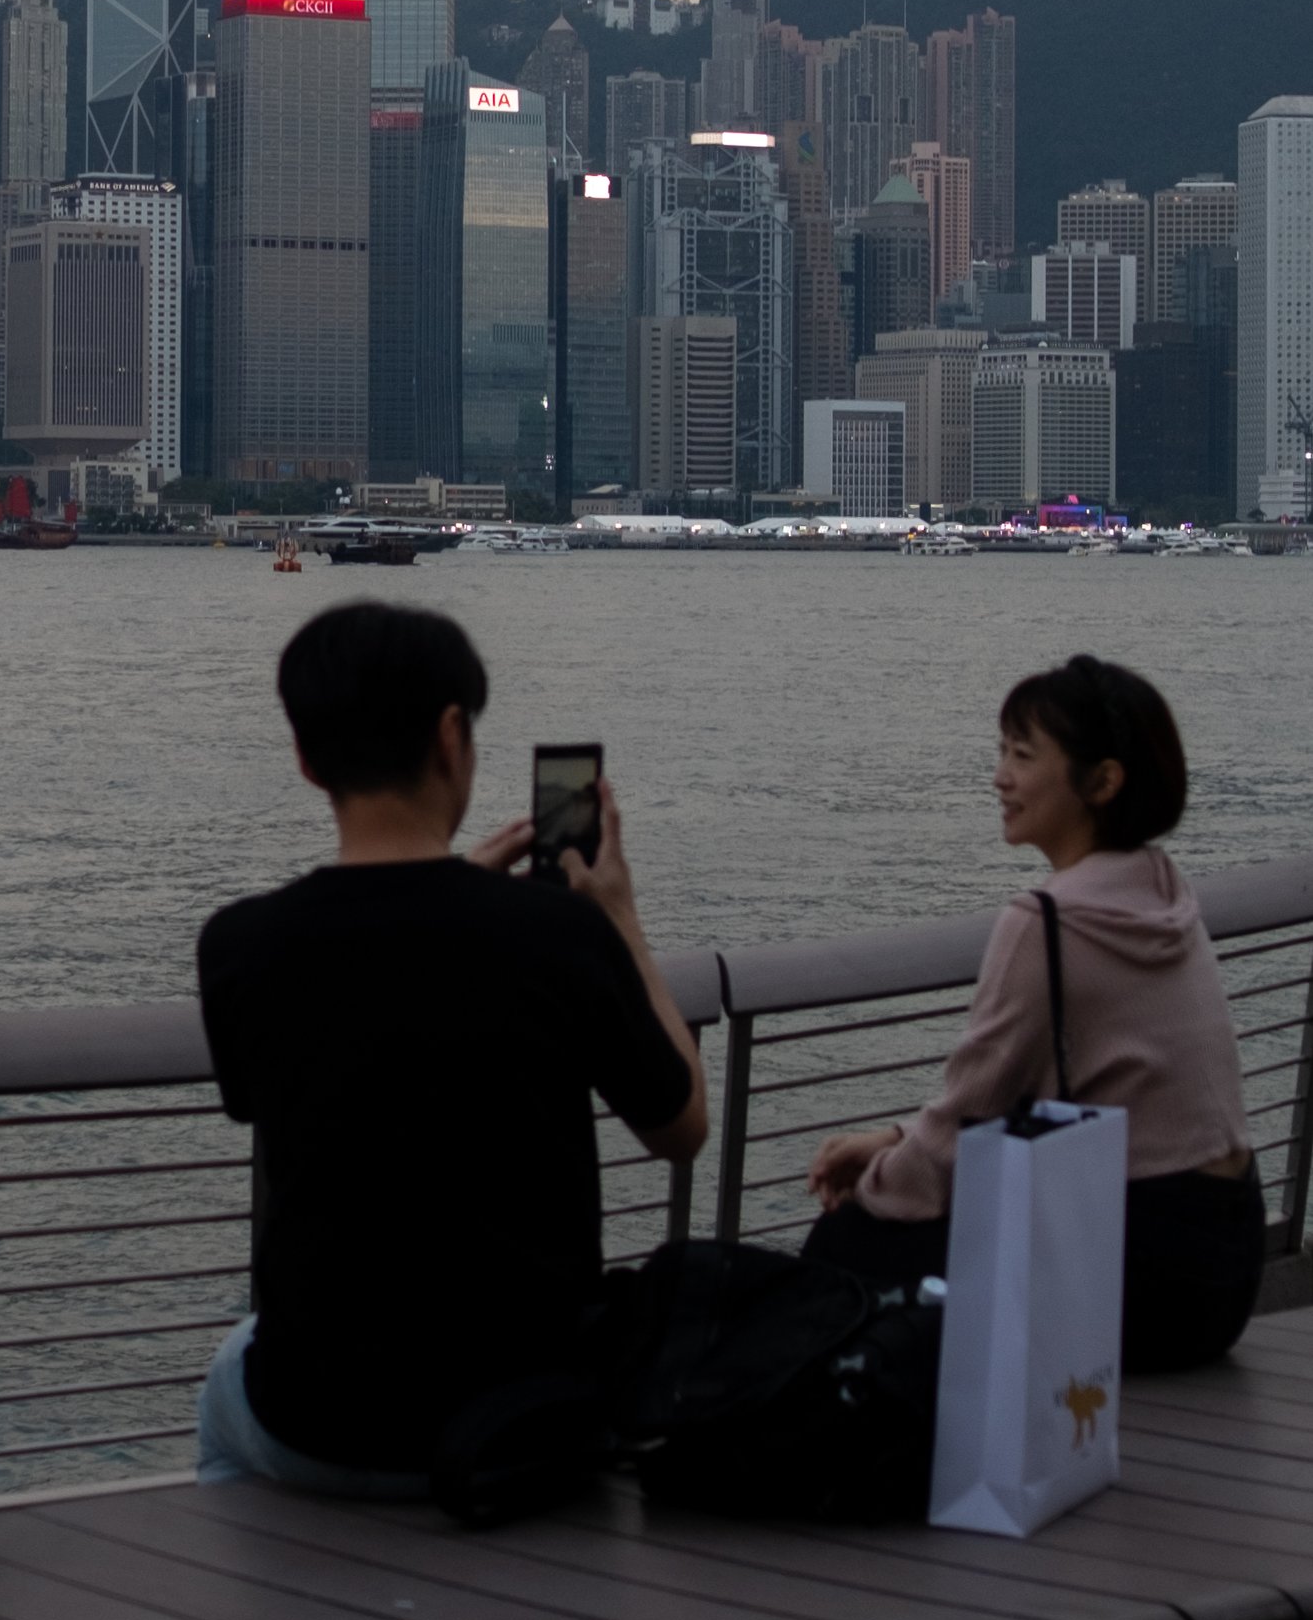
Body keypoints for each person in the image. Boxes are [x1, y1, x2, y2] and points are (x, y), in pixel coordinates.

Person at [192, 602, 708, 1495]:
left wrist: (446, 895)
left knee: (230, 1371)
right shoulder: (558, 935)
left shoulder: (238, 944)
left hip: (321, 1418)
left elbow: (271, 1086)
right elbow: (682, 1128)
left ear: (305, 758)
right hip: (526, 1421)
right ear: (451, 737)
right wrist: (619, 918)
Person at [805, 655, 1263, 1373]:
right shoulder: (1164, 890)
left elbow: (960, 1131)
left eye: (1022, 756)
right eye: (1003, 752)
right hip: (1225, 1269)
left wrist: (872, 1185)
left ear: (1102, 782)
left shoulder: (1045, 921)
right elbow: (999, 1112)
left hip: (1138, 1282)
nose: (1000, 777)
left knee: (848, 1242)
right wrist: (895, 1138)